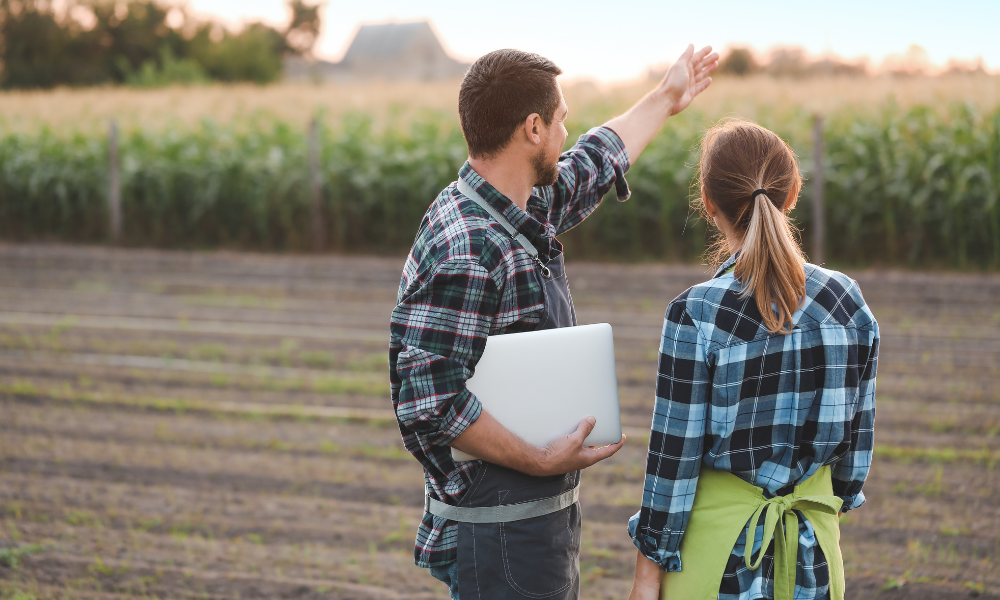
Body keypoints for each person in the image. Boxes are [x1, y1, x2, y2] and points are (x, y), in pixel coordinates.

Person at [389, 46, 718, 600]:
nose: (569, 132)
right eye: (562, 119)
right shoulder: (469, 248)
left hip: (528, 523)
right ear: (534, 128)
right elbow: (427, 400)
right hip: (501, 535)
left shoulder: (511, 203)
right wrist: (541, 458)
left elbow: (595, 162)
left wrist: (666, 99)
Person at [627, 119, 879, 600]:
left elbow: (672, 462)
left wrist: (646, 574)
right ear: (792, 194)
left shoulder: (695, 314)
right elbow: (853, 457)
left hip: (717, 565)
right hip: (813, 561)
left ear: (708, 202)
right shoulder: (848, 303)